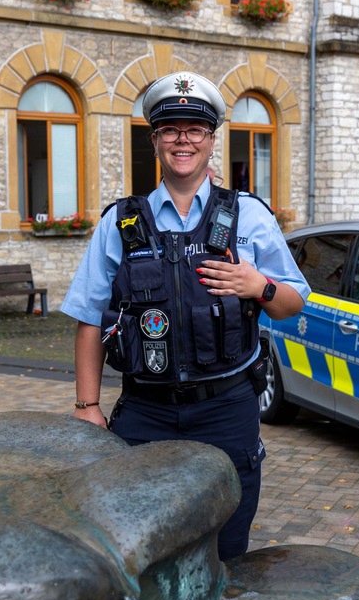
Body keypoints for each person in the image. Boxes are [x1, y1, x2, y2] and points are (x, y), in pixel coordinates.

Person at [61, 71, 310, 560]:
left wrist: (259, 285)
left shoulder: (250, 215)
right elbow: (89, 318)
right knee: (133, 543)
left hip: (227, 408)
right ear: (154, 140)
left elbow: (293, 306)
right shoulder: (121, 221)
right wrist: (86, 406)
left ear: (211, 141)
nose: (183, 140)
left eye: (194, 130)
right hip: (144, 411)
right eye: (170, 129)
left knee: (227, 544)